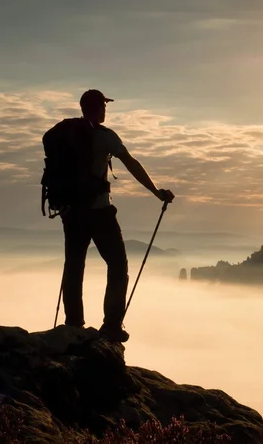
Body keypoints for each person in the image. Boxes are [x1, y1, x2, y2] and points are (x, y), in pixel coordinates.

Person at [53, 89, 174, 343]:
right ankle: (111, 325)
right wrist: (156, 192)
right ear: (97, 109)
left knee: (74, 265)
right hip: (99, 212)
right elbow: (130, 163)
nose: (106, 110)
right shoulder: (104, 137)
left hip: (71, 212)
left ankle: (73, 323)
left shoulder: (66, 135)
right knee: (118, 265)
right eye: (104, 106)